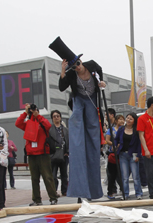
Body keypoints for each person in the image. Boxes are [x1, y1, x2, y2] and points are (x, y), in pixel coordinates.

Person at [51, 36, 106, 201]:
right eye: (73, 66)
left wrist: (101, 83)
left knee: (92, 140)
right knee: (77, 142)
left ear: (81, 61)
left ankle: (94, 191)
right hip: (79, 102)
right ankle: (80, 190)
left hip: (92, 104)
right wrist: (63, 71)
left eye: (78, 64)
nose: (77, 68)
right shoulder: (71, 74)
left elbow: (100, 77)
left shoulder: (93, 66)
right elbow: (61, 88)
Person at [14, 104, 57, 205]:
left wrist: (38, 115)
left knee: (47, 177)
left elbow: (48, 126)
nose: (32, 112)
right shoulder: (28, 123)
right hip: (31, 154)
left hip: (43, 153)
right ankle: (36, 199)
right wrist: (25, 112)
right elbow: (18, 123)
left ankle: (53, 197)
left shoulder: (41, 122)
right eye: (31, 110)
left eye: (34, 110)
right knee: (34, 178)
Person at [115, 112, 143, 200]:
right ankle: (125, 194)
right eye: (127, 118)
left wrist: (139, 155)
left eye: (130, 119)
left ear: (134, 121)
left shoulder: (136, 131)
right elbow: (116, 139)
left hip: (133, 155)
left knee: (135, 176)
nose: (128, 120)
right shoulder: (121, 129)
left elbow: (139, 144)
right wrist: (117, 145)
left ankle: (138, 193)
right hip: (123, 154)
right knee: (125, 176)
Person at [49, 110, 69, 196]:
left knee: (64, 174)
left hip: (64, 155)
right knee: (53, 175)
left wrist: (67, 152)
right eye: (54, 116)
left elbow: (68, 141)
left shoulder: (65, 130)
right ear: (52, 118)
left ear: (60, 117)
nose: (56, 117)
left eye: (58, 116)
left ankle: (64, 190)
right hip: (53, 155)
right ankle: (54, 191)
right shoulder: (50, 130)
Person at [105, 109, 123, 199]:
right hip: (113, 154)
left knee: (122, 174)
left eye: (123, 119)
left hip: (123, 154)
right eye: (120, 119)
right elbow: (107, 140)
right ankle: (110, 192)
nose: (122, 121)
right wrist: (115, 144)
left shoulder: (125, 129)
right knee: (112, 175)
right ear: (116, 121)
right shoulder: (111, 130)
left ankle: (124, 190)